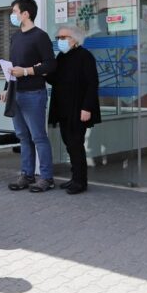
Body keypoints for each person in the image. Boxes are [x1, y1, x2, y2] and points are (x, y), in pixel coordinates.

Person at [2, 0, 57, 192]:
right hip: (16, 93)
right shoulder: (16, 37)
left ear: (26, 14)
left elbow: (50, 64)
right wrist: (6, 88)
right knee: (23, 137)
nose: (12, 15)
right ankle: (27, 174)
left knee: (38, 137)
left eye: (15, 12)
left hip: (34, 93)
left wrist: (26, 71)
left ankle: (47, 178)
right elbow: (12, 66)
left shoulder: (40, 36)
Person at [46, 25, 100, 195]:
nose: (60, 41)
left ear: (75, 39)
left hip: (78, 108)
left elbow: (92, 83)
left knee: (76, 144)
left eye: (64, 38)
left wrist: (87, 108)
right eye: (58, 38)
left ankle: (80, 181)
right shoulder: (62, 57)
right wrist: (44, 71)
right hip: (63, 108)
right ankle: (74, 177)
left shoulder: (85, 56)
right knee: (69, 143)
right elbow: (55, 79)